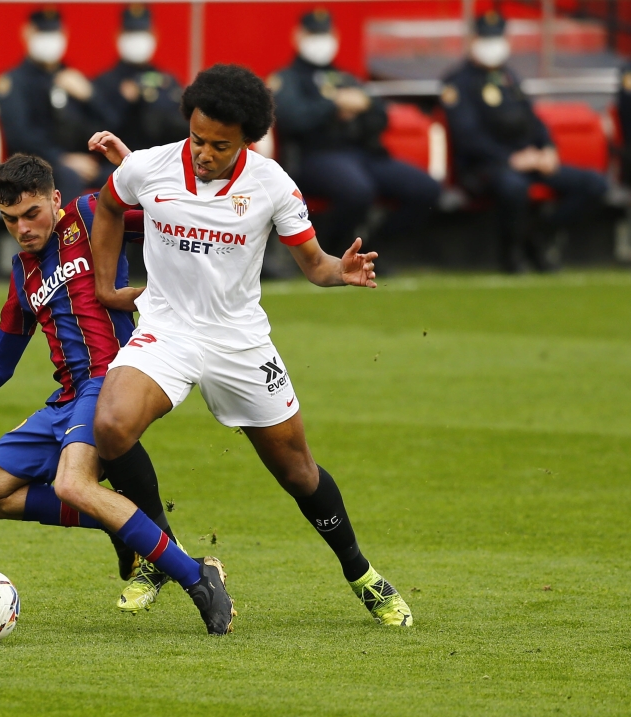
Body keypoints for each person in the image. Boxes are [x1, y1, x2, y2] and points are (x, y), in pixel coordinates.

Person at [88, 64, 413, 627]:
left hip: (239, 341)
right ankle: (161, 551)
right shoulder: (149, 166)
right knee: (112, 427)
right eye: (197, 138)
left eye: (220, 145)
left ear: (247, 141)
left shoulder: (272, 184)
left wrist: (344, 271)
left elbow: (314, 265)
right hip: (168, 328)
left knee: (297, 472)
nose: (204, 153)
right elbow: (110, 205)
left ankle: (363, 575)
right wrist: (104, 286)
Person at [0, 154, 235, 635]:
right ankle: (121, 523)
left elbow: (169, 217)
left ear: (54, 198)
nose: (23, 229)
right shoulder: (22, 272)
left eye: (31, 214)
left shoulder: (90, 215)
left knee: (73, 485)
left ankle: (199, 578)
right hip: (66, 399)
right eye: (10, 220)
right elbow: (0, 362)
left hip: (112, 380)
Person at [441, 10, 607, 273]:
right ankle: (511, 255)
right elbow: (468, 137)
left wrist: (548, 150)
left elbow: (533, 120)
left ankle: (538, 236)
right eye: (486, 38)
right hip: (486, 166)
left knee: (594, 184)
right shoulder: (458, 83)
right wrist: (509, 159)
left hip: (528, 159)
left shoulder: (509, 78)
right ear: (473, 40)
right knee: (513, 187)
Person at [268, 8, 440, 259]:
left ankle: (373, 249)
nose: (321, 40)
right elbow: (292, 119)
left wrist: (363, 106)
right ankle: (328, 256)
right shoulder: (286, 79)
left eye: (325, 33)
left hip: (364, 155)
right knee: (357, 190)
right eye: (313, 34)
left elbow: (380, 117)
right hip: (316, 157)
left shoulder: (347, 79)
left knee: (425, 189)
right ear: (298, 36)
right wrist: (333, 105)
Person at [0, 8, 112, 204]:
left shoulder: (73, 79)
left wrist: (90, 96)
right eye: (43, 33)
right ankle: (65, 234)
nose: (49, 40)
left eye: (54, 33)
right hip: (37, 166)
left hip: (82, 162)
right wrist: (62, 158)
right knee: (67, 177)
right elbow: (19, 134)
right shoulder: (14, 82)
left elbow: (110, 123)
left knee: (119, 176)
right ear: (27, 33)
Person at [93, 5, 189, 151]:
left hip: (161, 162)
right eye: (131, 32)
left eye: (142, 32)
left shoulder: (167, 81)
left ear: (154, 35)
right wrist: (124, 101)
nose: (137, 39)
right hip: (118, 164)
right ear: (119, 35)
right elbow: (97, 129)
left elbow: (181, 128)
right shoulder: (105, 82)